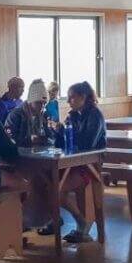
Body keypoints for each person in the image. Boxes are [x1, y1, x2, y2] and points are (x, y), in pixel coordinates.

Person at [44, 81, 106, 243]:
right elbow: (62, 144)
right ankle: (53, 219)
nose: (69, 101)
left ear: (83, 97)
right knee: (44, 182)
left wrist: (64, 131)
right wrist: (57, 131)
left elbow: (88, 144)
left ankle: (81, 222)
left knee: (54, 189)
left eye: (72, 97)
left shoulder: (95, 115)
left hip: (89, 165)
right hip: (70, 162)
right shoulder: (72, 115)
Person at [5, 79, 55, 148]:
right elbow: (9, 140)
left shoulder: (43, 115)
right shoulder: (15, 115)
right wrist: (29, 140)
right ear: (31, 101)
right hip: (19, 156)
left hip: (36, 154)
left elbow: (50, 138)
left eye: (44, 103)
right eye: (39, 102)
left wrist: (56, 131)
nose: (42, 106)